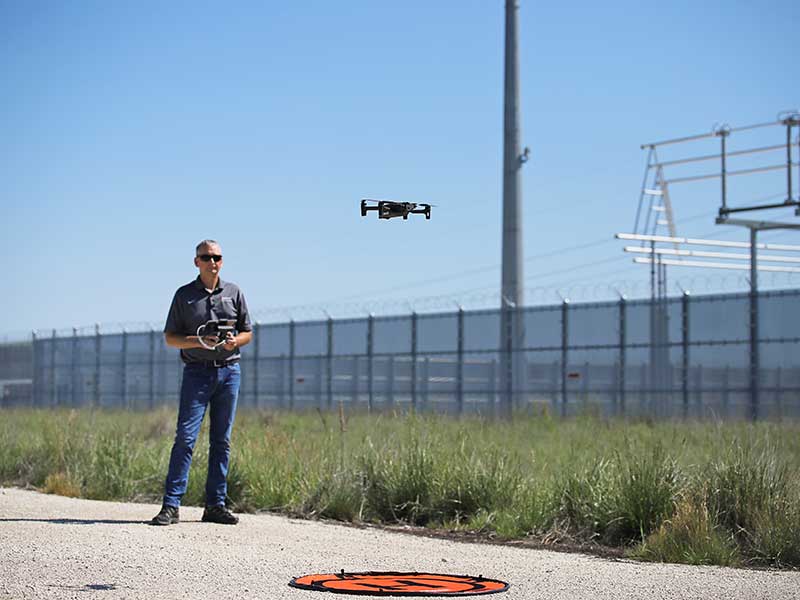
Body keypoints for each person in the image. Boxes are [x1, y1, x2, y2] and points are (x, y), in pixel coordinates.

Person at [151, 240, 252, 526]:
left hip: (229, 372)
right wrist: (199, 341)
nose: (213, 262)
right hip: (197, 372)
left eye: (217, 257)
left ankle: (215, 505)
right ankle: (171, 505)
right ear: (196, 261)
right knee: (185, 438)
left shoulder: (234, 293)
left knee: (222, 440)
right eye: (206, 257)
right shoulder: (184, 296)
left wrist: (234, 341)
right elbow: (170, 338)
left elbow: (248, 333)